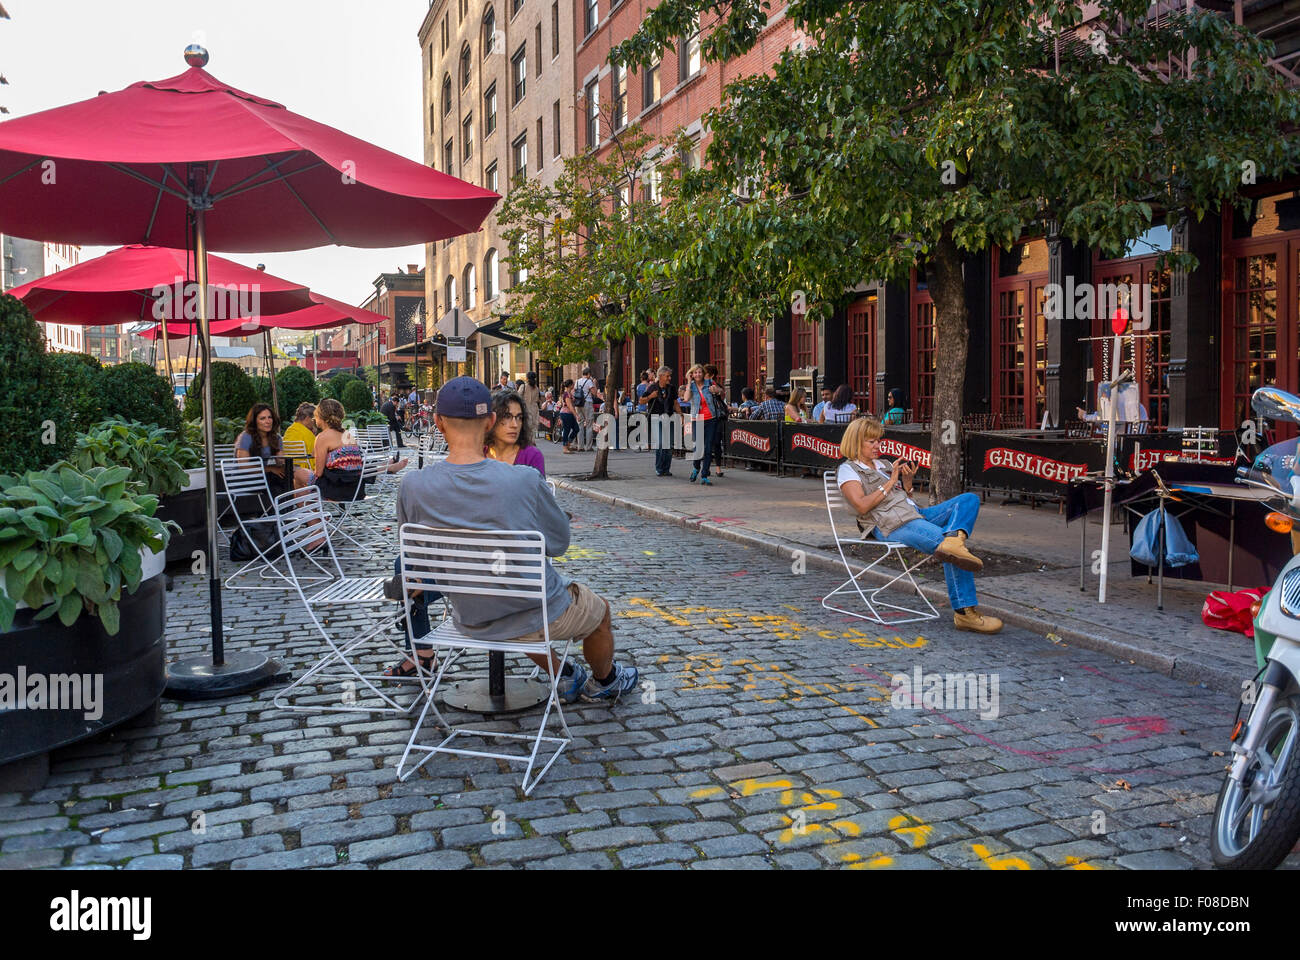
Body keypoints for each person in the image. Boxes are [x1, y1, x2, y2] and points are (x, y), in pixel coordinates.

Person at [391, 376, 638, 700]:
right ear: (491, 421)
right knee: (600, 611)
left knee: (520, 608)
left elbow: (414, 558)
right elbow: (559, 544)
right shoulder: (523, 479)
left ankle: (567, 675)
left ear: (437, 422)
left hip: (470, 614)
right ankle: (604, 682)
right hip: (530, 611)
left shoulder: (412, 486)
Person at [836, 418, 1002, 634]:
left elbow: (901, 499)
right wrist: (889, 482)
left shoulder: (884, 465)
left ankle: (954, 540)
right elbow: (861, 506)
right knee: (949, 548)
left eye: (879, 441)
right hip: (889, 524)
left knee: (968, 500)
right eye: (871, 442)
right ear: (856, 442)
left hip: (914, 514)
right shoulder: (848, 470)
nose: (878, 446)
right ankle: (965, 613)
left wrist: (906, 485)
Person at [236, 403, 313, 490]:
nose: (268, 421)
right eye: (262, 418)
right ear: (254, 421)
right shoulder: (246, 437)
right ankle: (292, 502)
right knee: (282, 483)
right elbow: (243, 466)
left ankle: (305, 500)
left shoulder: (276, 438)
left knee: (294, 476)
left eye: (270, 417)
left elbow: (280, 461)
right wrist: (270, 469)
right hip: (245, 478)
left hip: (266, 476)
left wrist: (290, 468)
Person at [486, 389, 546, 477]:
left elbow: (538, 489)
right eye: (507, 416)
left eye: (519, 417)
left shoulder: (531, 456)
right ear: (492, 419)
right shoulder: (479, 453)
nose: (515, 425)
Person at [685, 364, 724, 485]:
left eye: (699, 372)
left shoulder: (709, 383)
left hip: (711, 419)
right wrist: (688, 382)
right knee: (698, 448)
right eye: (695, 373)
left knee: (708, 448)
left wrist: (716, 390)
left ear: (703, 373)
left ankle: (704, 475)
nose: (697, 375)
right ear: (692, 374)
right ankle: (696, 467)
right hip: (698, 419)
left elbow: (721, 392)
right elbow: (686, 399)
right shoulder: (691, 386)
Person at [641, 365, 680, 477]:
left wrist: (680, 415)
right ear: (661, 376)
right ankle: (659, 468)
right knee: (661, 443)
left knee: (669, 444)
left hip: (670, 417)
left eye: (670, 376)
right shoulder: (652, 387)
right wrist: (650, 397)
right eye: (667, 376)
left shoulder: (671, 388)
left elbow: (675, 402)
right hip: (656, 418)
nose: (669, 378)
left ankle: (666, 469)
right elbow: (641, 401)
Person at [283, 403, 319, 475]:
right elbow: (316, 456)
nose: (315, 424)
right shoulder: (307, 434)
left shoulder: (289, 430)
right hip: (306, 470)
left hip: (290, 469)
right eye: (314, 420)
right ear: (307, 418)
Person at [705, 364, 727, 477]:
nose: (703, 376)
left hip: (717, 417)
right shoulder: (701, 386)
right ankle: (707, 466)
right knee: (707, 443)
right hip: (706, 416)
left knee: (717, 442)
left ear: (712, 375)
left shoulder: (715, 385)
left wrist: (717, 391)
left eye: (706, 374)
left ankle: (718, 468)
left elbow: (722, 394)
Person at [574, 366, 601, 451]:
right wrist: (594, 383)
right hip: (587, 403)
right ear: (589, 374)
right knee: (589, 425)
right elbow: (595, 393)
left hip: (578, 404)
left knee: (580, 424)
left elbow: (574, 392)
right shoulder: (589, 381)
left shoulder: (577, 381)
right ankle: (588, 447)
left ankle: (580, 446)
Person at [558, 378, 580, 453]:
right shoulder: (566, 394)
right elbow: (570, 406)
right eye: (573, 384)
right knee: (566, 430)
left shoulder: (569, 393)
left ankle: (568, 444)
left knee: (576, 429)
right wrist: (576, 415)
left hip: (569, 414)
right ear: (570, 385)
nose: (574, 385)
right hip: (566, 414)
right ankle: (565, 447)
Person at [520, 371, 542, 436]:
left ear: (527, 378)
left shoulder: (523, 386)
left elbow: (517, 397)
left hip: (525, 410)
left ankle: (528, 444)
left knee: (526, 430)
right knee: (532, 431)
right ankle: (531, 443)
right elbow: (538, 399)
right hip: (534, 410)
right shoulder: (536, 388)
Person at [381, 392, 403, 456]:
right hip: (386, 423)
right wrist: (398, 422)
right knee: (397, 427)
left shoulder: (388, 403)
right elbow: (392, 418)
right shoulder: (392, 406)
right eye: (397, 403)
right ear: (395, 402)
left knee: (397, 426)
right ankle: (400, 444)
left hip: (384, 422)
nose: (397, 405)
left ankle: (398, 443)